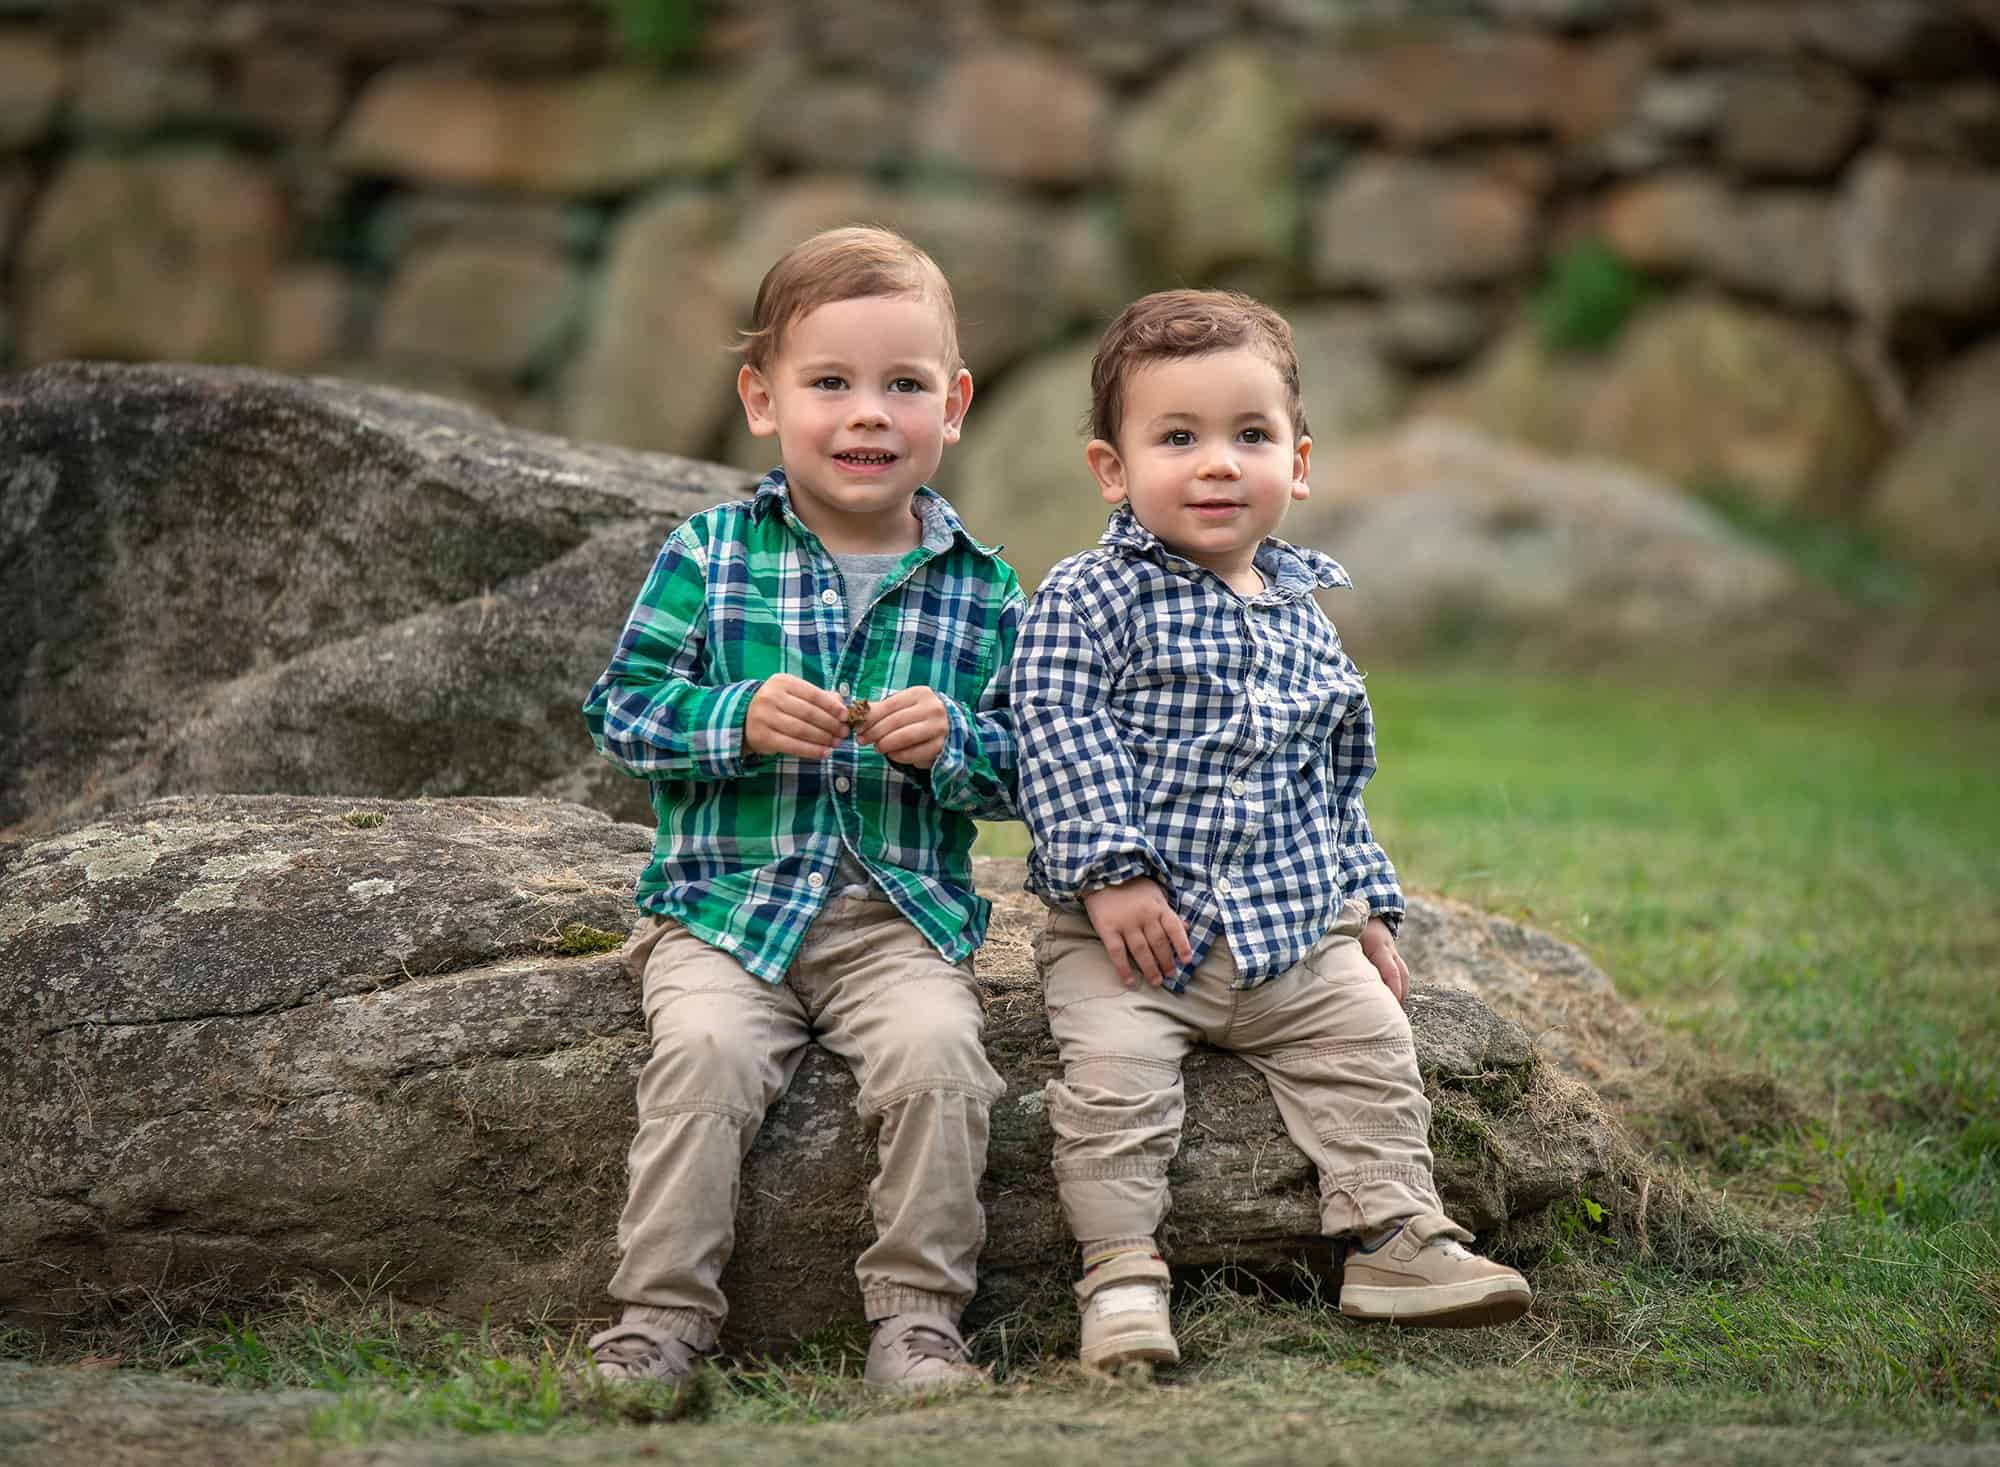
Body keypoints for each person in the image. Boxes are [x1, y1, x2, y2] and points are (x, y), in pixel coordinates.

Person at [1011, 288, 1531, 1372]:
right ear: (1112, 470)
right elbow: (1053, 732)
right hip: (1132, 944)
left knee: (1370, 1045)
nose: (1215, 464)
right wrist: (1109, 874)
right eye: (1177, 438)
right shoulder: (1087, 598)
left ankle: (1395, 1237)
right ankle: (1118, 1275)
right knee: (1112, 1087)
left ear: (1296, 463)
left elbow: (1335, 778)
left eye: (1249, 437)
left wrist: (1365, 909)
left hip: (1287, 938)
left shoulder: (1301, 613)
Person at [581, 226, 1022, 1393]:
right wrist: (731, 720)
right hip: (724, 911)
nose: (867, 414)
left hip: (896, 920)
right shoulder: (711, 552)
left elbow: (1029, 769)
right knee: (706, 1055)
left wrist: (955, 745)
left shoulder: (983, 588)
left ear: (955, 403)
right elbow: (622, 712)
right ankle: (659, 1323)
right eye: (829, 383)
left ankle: (918, 1324)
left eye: (903, 385)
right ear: (762, 399)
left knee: (941, 1061)